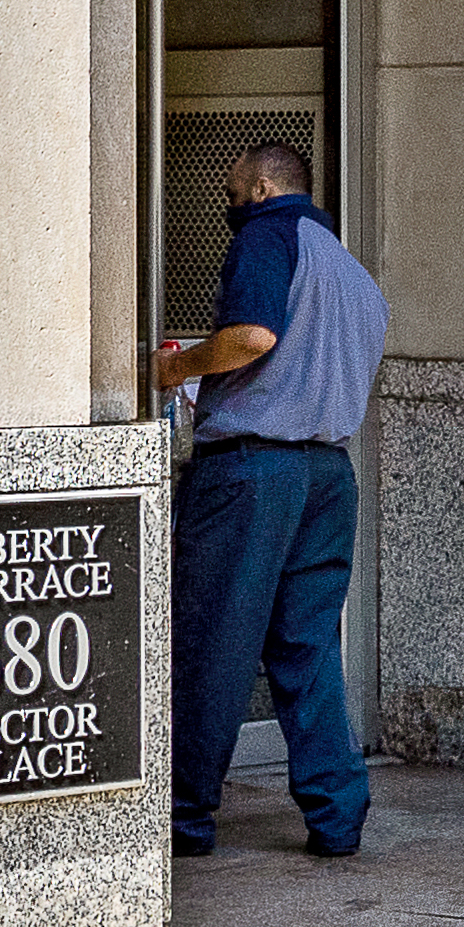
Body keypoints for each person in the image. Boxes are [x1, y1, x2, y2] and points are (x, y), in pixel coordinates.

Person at [152, 137, 386, 859]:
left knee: (213, 644)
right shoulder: (352, 273)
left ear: (259, 189)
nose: (229, 206)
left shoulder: (266, 235)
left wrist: (177, 369)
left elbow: (251, 336)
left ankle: (183, 817)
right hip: (328, 476)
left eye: (231, 193)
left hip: (254, 474)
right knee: (308, 648)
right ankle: (337, 815)